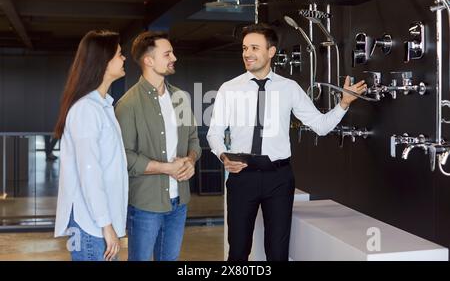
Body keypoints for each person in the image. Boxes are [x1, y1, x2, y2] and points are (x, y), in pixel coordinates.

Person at [207, 23, 367, 261]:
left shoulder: (289, 88)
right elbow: (214, 133)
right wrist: (223, 156)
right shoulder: (229, 89)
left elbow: (321, 126)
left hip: (278, 179)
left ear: (271, 52)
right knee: (238, 251)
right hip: (242, 176)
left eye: (254, 47)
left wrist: (343, 104)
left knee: (278, 252)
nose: (247, 53)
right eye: (244, 48)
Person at [115, 31, 201, 261]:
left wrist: (191, 160)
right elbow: (125, 156)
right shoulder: (127, 104)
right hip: (145, 206)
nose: (174, 57)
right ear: (148, 60)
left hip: (179, 202)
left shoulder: (180, 98)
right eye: (167, 53)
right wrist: (167, 168)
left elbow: (194, 140)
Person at [53, 30, 128, 261]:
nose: (123, 58)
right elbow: (89, 172)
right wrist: (106, 225)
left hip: (100, 224)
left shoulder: (103, 106)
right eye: (119, 54)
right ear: (103, 62)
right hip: (91, 226)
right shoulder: (86, 109)